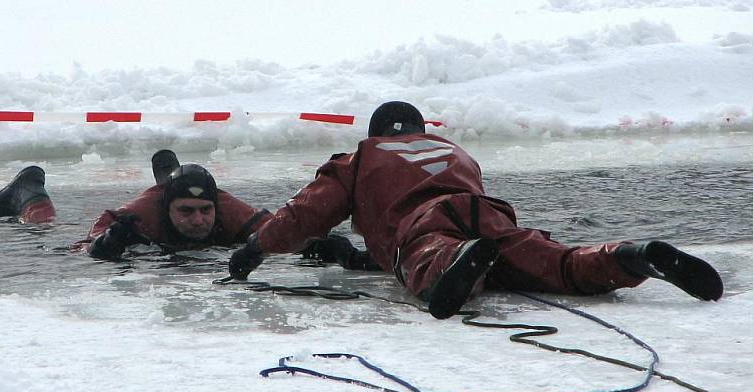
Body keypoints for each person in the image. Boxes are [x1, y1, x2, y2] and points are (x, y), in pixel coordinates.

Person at [229, 101, 724, 320]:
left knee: (428, 256)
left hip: (427, 225)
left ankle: (458, 261)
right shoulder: (455, 151)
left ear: (378, 132)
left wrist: (254, 248)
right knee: (555, 262)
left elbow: (304, 216)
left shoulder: (361, 157)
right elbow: (463, 199)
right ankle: (629, 256)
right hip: (486, 211)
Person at [0, 150, 271, 260]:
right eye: (186, 211)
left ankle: (170, 173)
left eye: (205, 211)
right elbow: (86, 246)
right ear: (167, 207)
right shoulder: (140, 214)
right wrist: (108, 244)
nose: (198, 220)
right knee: (49, 228)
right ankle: (29, 190)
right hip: (147, 211)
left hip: (176, 192)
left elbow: (283, 230)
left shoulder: (227, 207)